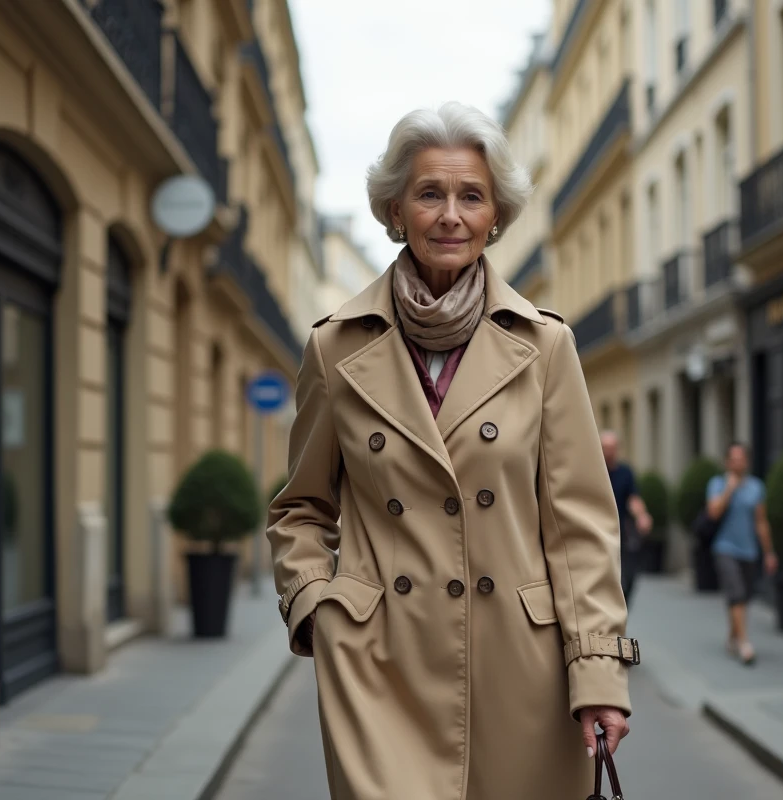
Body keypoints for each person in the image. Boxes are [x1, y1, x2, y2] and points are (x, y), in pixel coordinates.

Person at [268, 102, 636, 800]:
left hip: (523, 673)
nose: (450, 215)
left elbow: (580, 529)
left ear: (495, 215)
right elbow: (301, 509)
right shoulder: (335, 347)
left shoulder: (544, 345)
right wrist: (318, 605)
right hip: (380, 670)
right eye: (429, 193)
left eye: (471, 196)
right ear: (394, 210)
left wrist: (599, 675)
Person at [705, 442, 777, 665]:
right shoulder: (717, 484)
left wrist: (769, 553)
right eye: (733, 459)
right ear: (727, 462)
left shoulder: (756, 487)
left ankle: (732, 636)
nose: (737, 462)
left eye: (741, 458)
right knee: (735, 592)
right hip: (725, 548)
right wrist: (729, 489)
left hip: (749, 551)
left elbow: (761, 522)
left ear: (747, 461)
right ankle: (744, 642)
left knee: (743, 596)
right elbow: (713, 513)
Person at [601, 431, 652, 608]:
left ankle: (621, 611)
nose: (608, 452)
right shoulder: (593, 472)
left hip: (622, 533)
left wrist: (642, 516)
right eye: (605, 448)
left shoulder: (625, 472)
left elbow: (634, 499)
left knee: (628, 578)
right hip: (598, 533)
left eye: (612, 448)